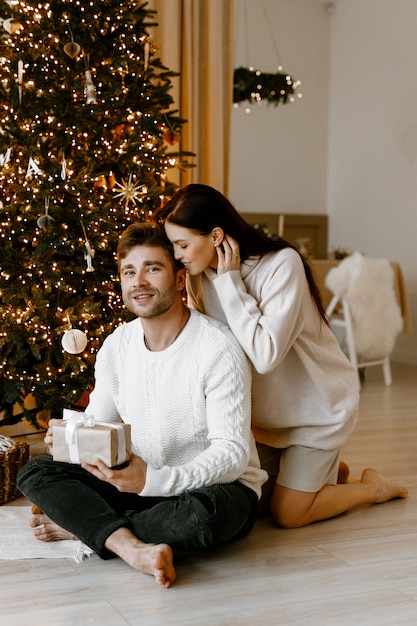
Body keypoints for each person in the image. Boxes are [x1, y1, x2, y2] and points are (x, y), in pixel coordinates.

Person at [17, 222, 267, 588]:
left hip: (209, 488)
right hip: (135, 482)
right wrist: (70, 440)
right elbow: (98, 424)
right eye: (129, 272)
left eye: (152, 268)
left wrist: (154, 480)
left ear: (180, 280)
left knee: (207, 518)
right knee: (36, 470)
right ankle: (130, 546)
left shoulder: (218, 347)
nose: (139, 281)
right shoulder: (117, 345)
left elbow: (231, 455)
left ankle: (87, 527)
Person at [155, 183, 408, 529]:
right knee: (254, 503)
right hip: (267, 422)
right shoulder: (200, 279)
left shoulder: (280, 265)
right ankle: (328, 475)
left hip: (317, 412)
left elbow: (265, 355)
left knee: (288, 514)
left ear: (215, 236)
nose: (178, 254)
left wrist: (230, 283)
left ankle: (373, 488)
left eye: (182, 244)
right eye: (173, 246)